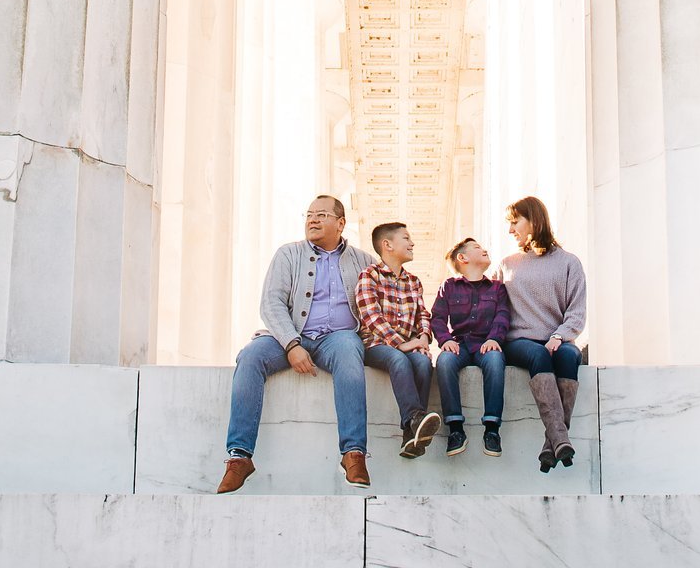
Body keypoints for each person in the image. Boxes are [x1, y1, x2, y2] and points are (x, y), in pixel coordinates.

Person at [218, 194, 374, 493]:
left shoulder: (364, 260)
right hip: (289, 334)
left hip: (338, 337)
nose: (312, 219)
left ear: (341, 223)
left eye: (322, 215)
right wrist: (291, 343)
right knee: (250, 357)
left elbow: (376, 303)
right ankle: (239, 457)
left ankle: (354, 453)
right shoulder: (288, 254)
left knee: (350, 354)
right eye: (309, 214)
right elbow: (271, 302)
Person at [501, 194, 586, 472]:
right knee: (539, 355)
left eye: (515, 223)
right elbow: (492, 305)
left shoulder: (569, 263)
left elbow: (576, 312)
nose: (511, 230)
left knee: (570, 356)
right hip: (519, 341)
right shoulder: (507, 264)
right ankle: (560, 438)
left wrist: (559, 336)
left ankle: (552, 447)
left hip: (557, 338)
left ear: (534, 221)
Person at [352, 221, 444, 458]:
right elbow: (371, 316)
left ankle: (410, 437)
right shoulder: (369, 275)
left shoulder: (413, 281)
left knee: (423, 363)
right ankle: (414, 417)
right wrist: (402, 344)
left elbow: (423, 314)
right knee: (399, 359)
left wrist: (423, 338)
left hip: (409, 344)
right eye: (406, 238)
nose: (412, 243)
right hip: (377, 345)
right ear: (387, 245)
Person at [429, 236, 512, 454]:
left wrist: (495, 338)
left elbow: (503, 315)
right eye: (477, 247)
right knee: (445, 361)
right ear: (462, 258)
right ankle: (456, 429)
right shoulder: (448, 286)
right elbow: (437, 318)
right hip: (460, 345)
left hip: (487, 343)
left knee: (495, 359)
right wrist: (445, 340)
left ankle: (492, 429)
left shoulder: (497, 288)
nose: (484, 249)